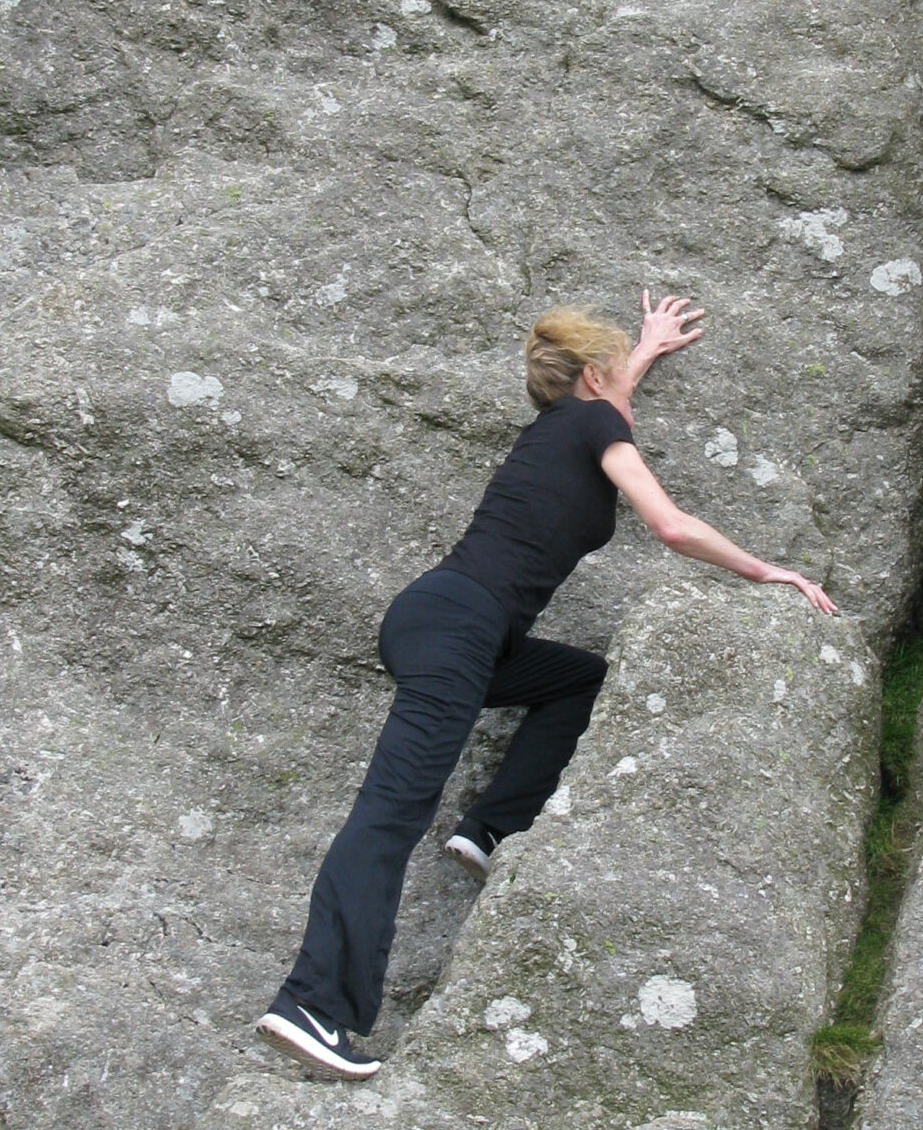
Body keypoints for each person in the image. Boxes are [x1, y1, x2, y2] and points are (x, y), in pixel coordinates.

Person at [259, 292, 837, 1079]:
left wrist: (644, 350)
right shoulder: (597, 424)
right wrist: (765, 567)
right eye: (616, 373)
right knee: (390, 814)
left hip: (459, 627)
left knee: (581, 684)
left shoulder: (564, 422)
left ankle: (489, 829)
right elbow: (668, 523)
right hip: (459, 628)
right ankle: (313, 1002)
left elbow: (605, 396)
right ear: (595, 378)